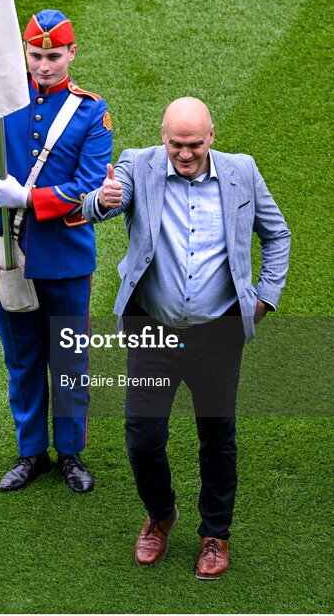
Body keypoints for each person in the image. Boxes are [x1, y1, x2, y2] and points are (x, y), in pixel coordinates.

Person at [82, 97, 290, 576]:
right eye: (176, 143)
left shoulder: (243, 171)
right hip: (153, 332)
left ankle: (214, 534)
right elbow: (101, 205)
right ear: (163, 135)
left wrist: (266, 296)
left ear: (212, 136)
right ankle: (160, 515)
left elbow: (276, 235)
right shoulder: (138, 164)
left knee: (217, 436)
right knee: (142, 438)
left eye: (194, 144)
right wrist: (101, 200)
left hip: (217, 334)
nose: (185, 153)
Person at [0, 9, 112, 494]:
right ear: (24, 54)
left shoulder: (91, 111)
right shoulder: (2, 98)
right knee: (23, 355)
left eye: (54, 56)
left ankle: (70, 453)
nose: (44, 66)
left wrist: (29, 199)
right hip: (8, 250)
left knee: (69, 358)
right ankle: (31, 452)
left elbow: (91, 186)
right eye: (36, 55)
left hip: (63, 255)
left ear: (72, 53)